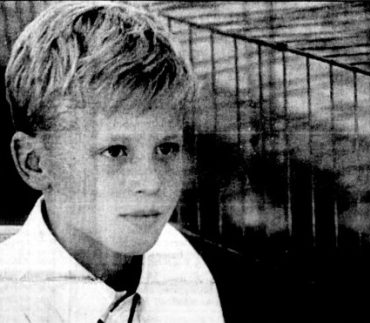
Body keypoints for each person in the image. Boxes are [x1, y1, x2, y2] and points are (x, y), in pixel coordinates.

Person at [0, 1, 224, 322]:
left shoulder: (180, 267)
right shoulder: (9, 303)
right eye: (116, 151)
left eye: (166, 148)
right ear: (35, 162)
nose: (150, 182)